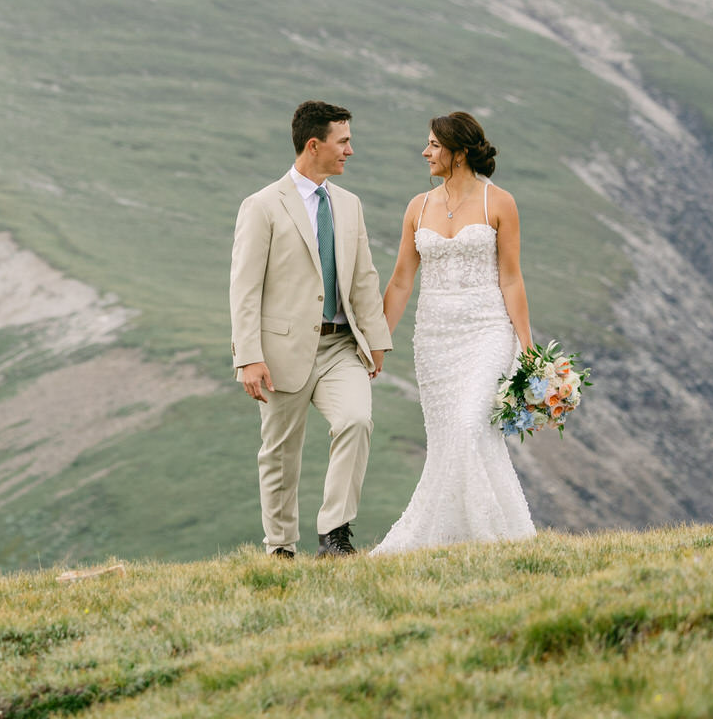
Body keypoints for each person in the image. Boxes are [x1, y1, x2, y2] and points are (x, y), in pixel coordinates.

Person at [229, 100, 392, 557]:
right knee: (280, 454)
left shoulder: (349, 205)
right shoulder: (262, 205)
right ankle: (280, 547)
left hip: (341, 346)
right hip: (280, 352)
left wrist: (376, 339)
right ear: (314, 144)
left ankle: (334, 536)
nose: (351, 151)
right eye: (344, 142)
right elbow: (244, 287)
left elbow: (363, 276)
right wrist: (248, 356)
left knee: (356, 420)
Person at [370, 110, 537, 553]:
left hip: (486, 331)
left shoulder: (499, 202)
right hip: (434, 339)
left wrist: (527, 344)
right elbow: (402, 279)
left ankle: (490, 532)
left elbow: (511, 278)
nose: (425, 153)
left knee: (468, 426)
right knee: (448, 440)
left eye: (434, 146)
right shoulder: (417, 207)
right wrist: (378, 341)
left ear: (459, 152)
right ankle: (455, 539)